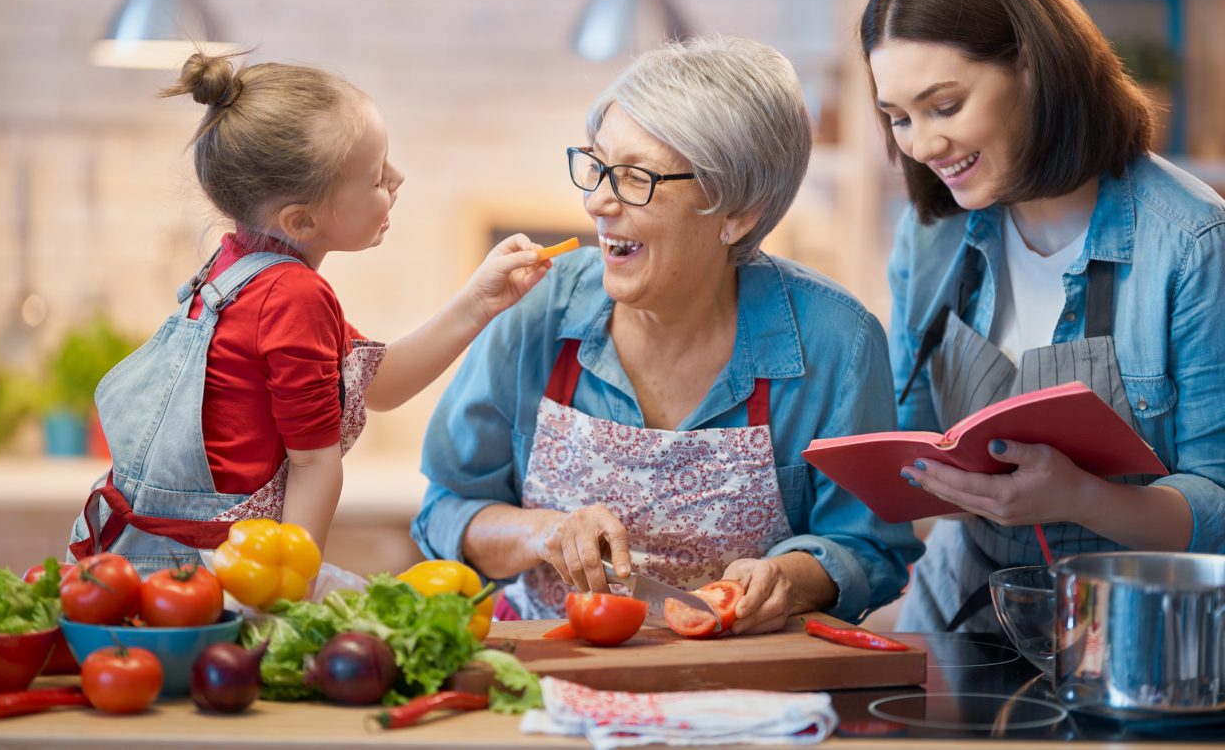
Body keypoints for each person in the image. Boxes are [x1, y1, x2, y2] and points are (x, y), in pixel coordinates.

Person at [411, 36, 922, 633]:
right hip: (546, 674)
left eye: (634, 178)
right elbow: (444, 511)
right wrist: (543, 532)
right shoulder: (537, 311)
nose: (598, 201)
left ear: (739, 213)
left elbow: (870, 549)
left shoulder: (838, 341)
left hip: (742, 694)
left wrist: (786, 579)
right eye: (598, 166)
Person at [859, 0, 1225, 632]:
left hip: (1140, 626)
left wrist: (1081, 496)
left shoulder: (1192, 242)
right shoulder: (932, 233)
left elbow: (1220, 505)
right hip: (967, 594)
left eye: (945, 105)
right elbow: (910, 435)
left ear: (1031, 65)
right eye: (898, 117)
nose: (922, 146)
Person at [67, 53, 550, 576]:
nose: (398, 179)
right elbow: (314, 465)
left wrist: (481, 301)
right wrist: (289, 600)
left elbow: (375, 385)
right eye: (376, 177)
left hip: (142, 556)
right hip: (212, 571)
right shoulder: (294, 296)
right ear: (301, 220)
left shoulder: (235, 269)